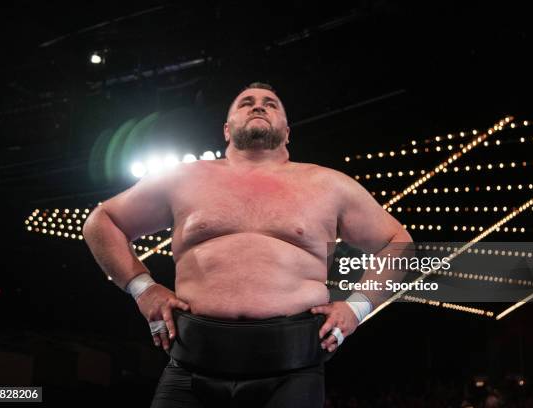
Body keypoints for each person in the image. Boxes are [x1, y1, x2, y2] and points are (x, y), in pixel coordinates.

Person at [83, 82, 412, 407]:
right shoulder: (182, 178)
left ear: (287, 132)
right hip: (191, 366)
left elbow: (399, 243)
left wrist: (357, 307)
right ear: (227, 130)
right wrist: (143, 288)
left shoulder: (329, 185)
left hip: (292, 371)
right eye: (246, 103)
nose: (258, 106)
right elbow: (101, 222)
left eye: (270, 103)